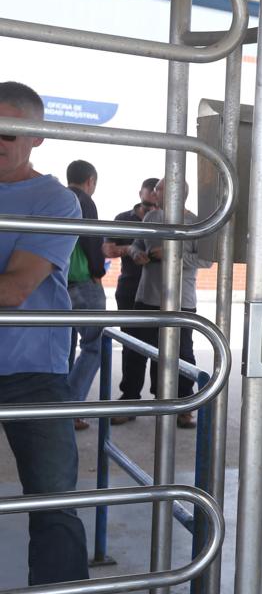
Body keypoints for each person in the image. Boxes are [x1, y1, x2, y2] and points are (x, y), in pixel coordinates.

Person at [0, 81, 91, 594]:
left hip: (34, 372)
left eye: (12, 130)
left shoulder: (54, 200)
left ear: (37, 138)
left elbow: (14, 290)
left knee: (53, 504)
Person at [124, 178, 212, 428]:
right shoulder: (150, 219)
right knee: (136, 350)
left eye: (160, 188)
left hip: (180, 301)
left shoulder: (196, 223)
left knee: (182, 354)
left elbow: (206, 261)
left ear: (176, 193)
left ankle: (184, 407)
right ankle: (129, 401)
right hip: (147, 297)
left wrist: (173, 256)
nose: (155, 192)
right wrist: (136, 254)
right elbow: (135, 245)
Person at [103, 177, 158, 425]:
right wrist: (133, 249)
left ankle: (166, 402)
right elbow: (108, 250)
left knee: (167, 345)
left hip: (162, 290)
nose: (151, 210)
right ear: (140, 195)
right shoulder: (123, 218)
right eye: (147, 205)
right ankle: (130, 399)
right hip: (130, 288)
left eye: (156, 206)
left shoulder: (168, 218)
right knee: (132, 344)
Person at [64, 159, 107, 430]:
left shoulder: (57, 199)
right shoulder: (85, 201)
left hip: (59, 282)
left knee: (63, 347)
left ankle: (56, 405)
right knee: (95, 345)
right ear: (90, 180)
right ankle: (71, 407)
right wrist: (97, 272)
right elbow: (92, 241)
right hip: (83, 283)